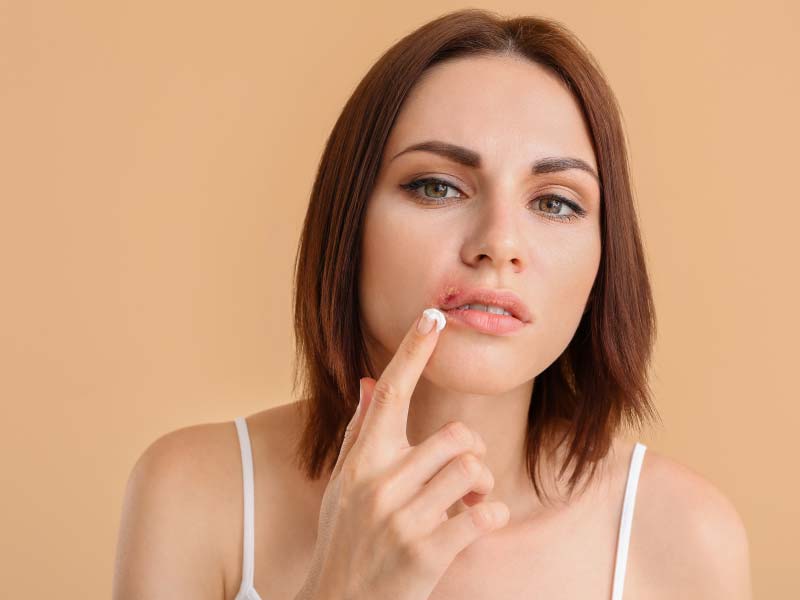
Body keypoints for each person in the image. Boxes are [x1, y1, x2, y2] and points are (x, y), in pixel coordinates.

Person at [112, 9, 752, 600]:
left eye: (555, 201)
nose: (498, 243)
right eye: (437, 186)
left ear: (605, 257)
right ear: (349, 222)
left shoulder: (685, 538)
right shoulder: (196, 492)